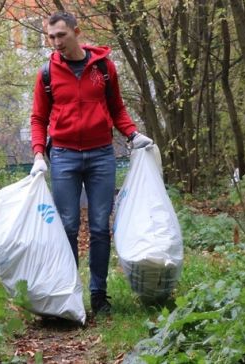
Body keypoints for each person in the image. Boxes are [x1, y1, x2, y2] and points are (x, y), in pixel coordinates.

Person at [29, 11, 153, 315]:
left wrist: (133, 134)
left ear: (76, 31)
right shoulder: (47, 73)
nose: (56, 42)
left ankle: (99, 296)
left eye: (61, 35)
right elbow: (38, 118)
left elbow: (117, 108)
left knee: (100, 228)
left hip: (100, 155)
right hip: (63, 156)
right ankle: (69, 294)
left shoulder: (104, 68)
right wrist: (37, 154)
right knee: (67, 226)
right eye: (51, 36)